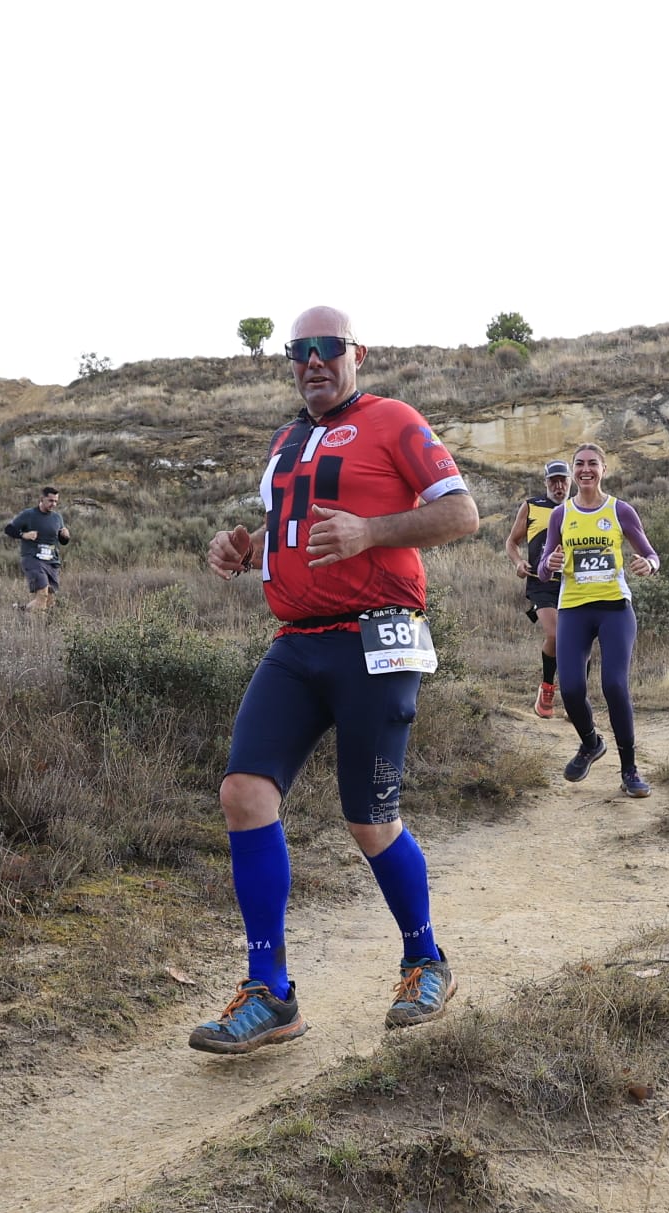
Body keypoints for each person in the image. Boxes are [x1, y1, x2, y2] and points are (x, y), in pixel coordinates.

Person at [192, 305, 480, 1055]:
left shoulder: (394, 420)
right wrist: (243, 550)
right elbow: (290, 536)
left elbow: (462, 514)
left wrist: (372, 531)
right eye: (299, 350)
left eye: (327, 348)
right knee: (243, 793)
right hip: (296, 643)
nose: (313, 361)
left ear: (357, 353)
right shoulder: (285, 439)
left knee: (369, 818)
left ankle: (426, 962)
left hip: (376, 637)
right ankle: (271, 993)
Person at [537, 442, 661, 798]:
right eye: (580, 464)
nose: (585, 469)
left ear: (604, 469)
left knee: (614, 686)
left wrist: (648, 564)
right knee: (572, 688)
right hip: (574, 609)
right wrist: (551, 565)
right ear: (573, 472)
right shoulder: (561, 515)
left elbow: (650, 553)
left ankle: (630, 771)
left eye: (592, 463)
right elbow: (545, 568)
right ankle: (591, 743)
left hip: (614, 609)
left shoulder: (620, 510)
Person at [503, 459, 571, 717]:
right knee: (555, 634)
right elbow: (512, 542)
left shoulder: (580, 508)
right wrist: (519, 562)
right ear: (546, 482)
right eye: (553, 480)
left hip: (573, 583)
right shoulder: (532, 506)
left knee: (580, 642)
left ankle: (577, 699)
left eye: (562, 480)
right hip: (541, 583)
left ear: (570, 482)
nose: (558, 485)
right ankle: (546, 688)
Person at [3, 487, 69, 611]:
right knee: (42, 594)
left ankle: (22, 610)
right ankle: (39, 628)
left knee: (49, 601)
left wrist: (65, 536)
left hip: (52, 561)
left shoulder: (57, 518)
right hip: (33, 559)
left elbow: (62, 541)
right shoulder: (29, 514)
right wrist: (24, 535)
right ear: (41, 499)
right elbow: (9, 529)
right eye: (50, 501)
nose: (53, 504)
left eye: (56, 501)